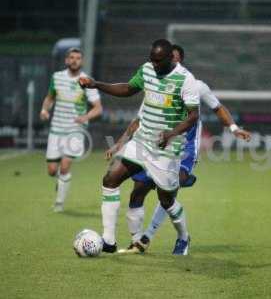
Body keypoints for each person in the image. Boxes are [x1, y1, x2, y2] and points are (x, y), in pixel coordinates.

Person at [105, 44, 251, 254]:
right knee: (137, 192)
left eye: (174, 58)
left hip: (184, 149)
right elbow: (140, 118)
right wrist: (120, 143)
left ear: (178, 60)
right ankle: (136, 241)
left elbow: (217, 107)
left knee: (167, 196)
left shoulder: (195, 85)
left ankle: (161, 237)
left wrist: (234, 128)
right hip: (151, 146)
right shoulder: (155, 82)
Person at [79, 39, 200, 255]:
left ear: (171, 58)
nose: (154, 64)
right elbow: (127, 88)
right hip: (142, 142)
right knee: (110, 179)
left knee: (167, 201)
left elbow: (193, 116)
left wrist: (171, 134)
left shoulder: (186, 80)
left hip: (167, 150)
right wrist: (96, 84)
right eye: (151, 59)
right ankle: (108, 240)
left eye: (158, 61)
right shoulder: (147, 69)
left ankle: (183, 236)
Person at [40, 47, 102, 212]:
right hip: (56, 130)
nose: (74, 60)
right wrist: (44, 110)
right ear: (67, 60)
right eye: (72, 57)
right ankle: (60, 181)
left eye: (78, 58)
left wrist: (85, 117)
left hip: (75, 131)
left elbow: (98, 108)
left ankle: (59, 204)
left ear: (81, 61)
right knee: (52, 171)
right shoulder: (57, 77)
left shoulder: (86, 81)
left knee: (65, 166)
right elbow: (50, 97)